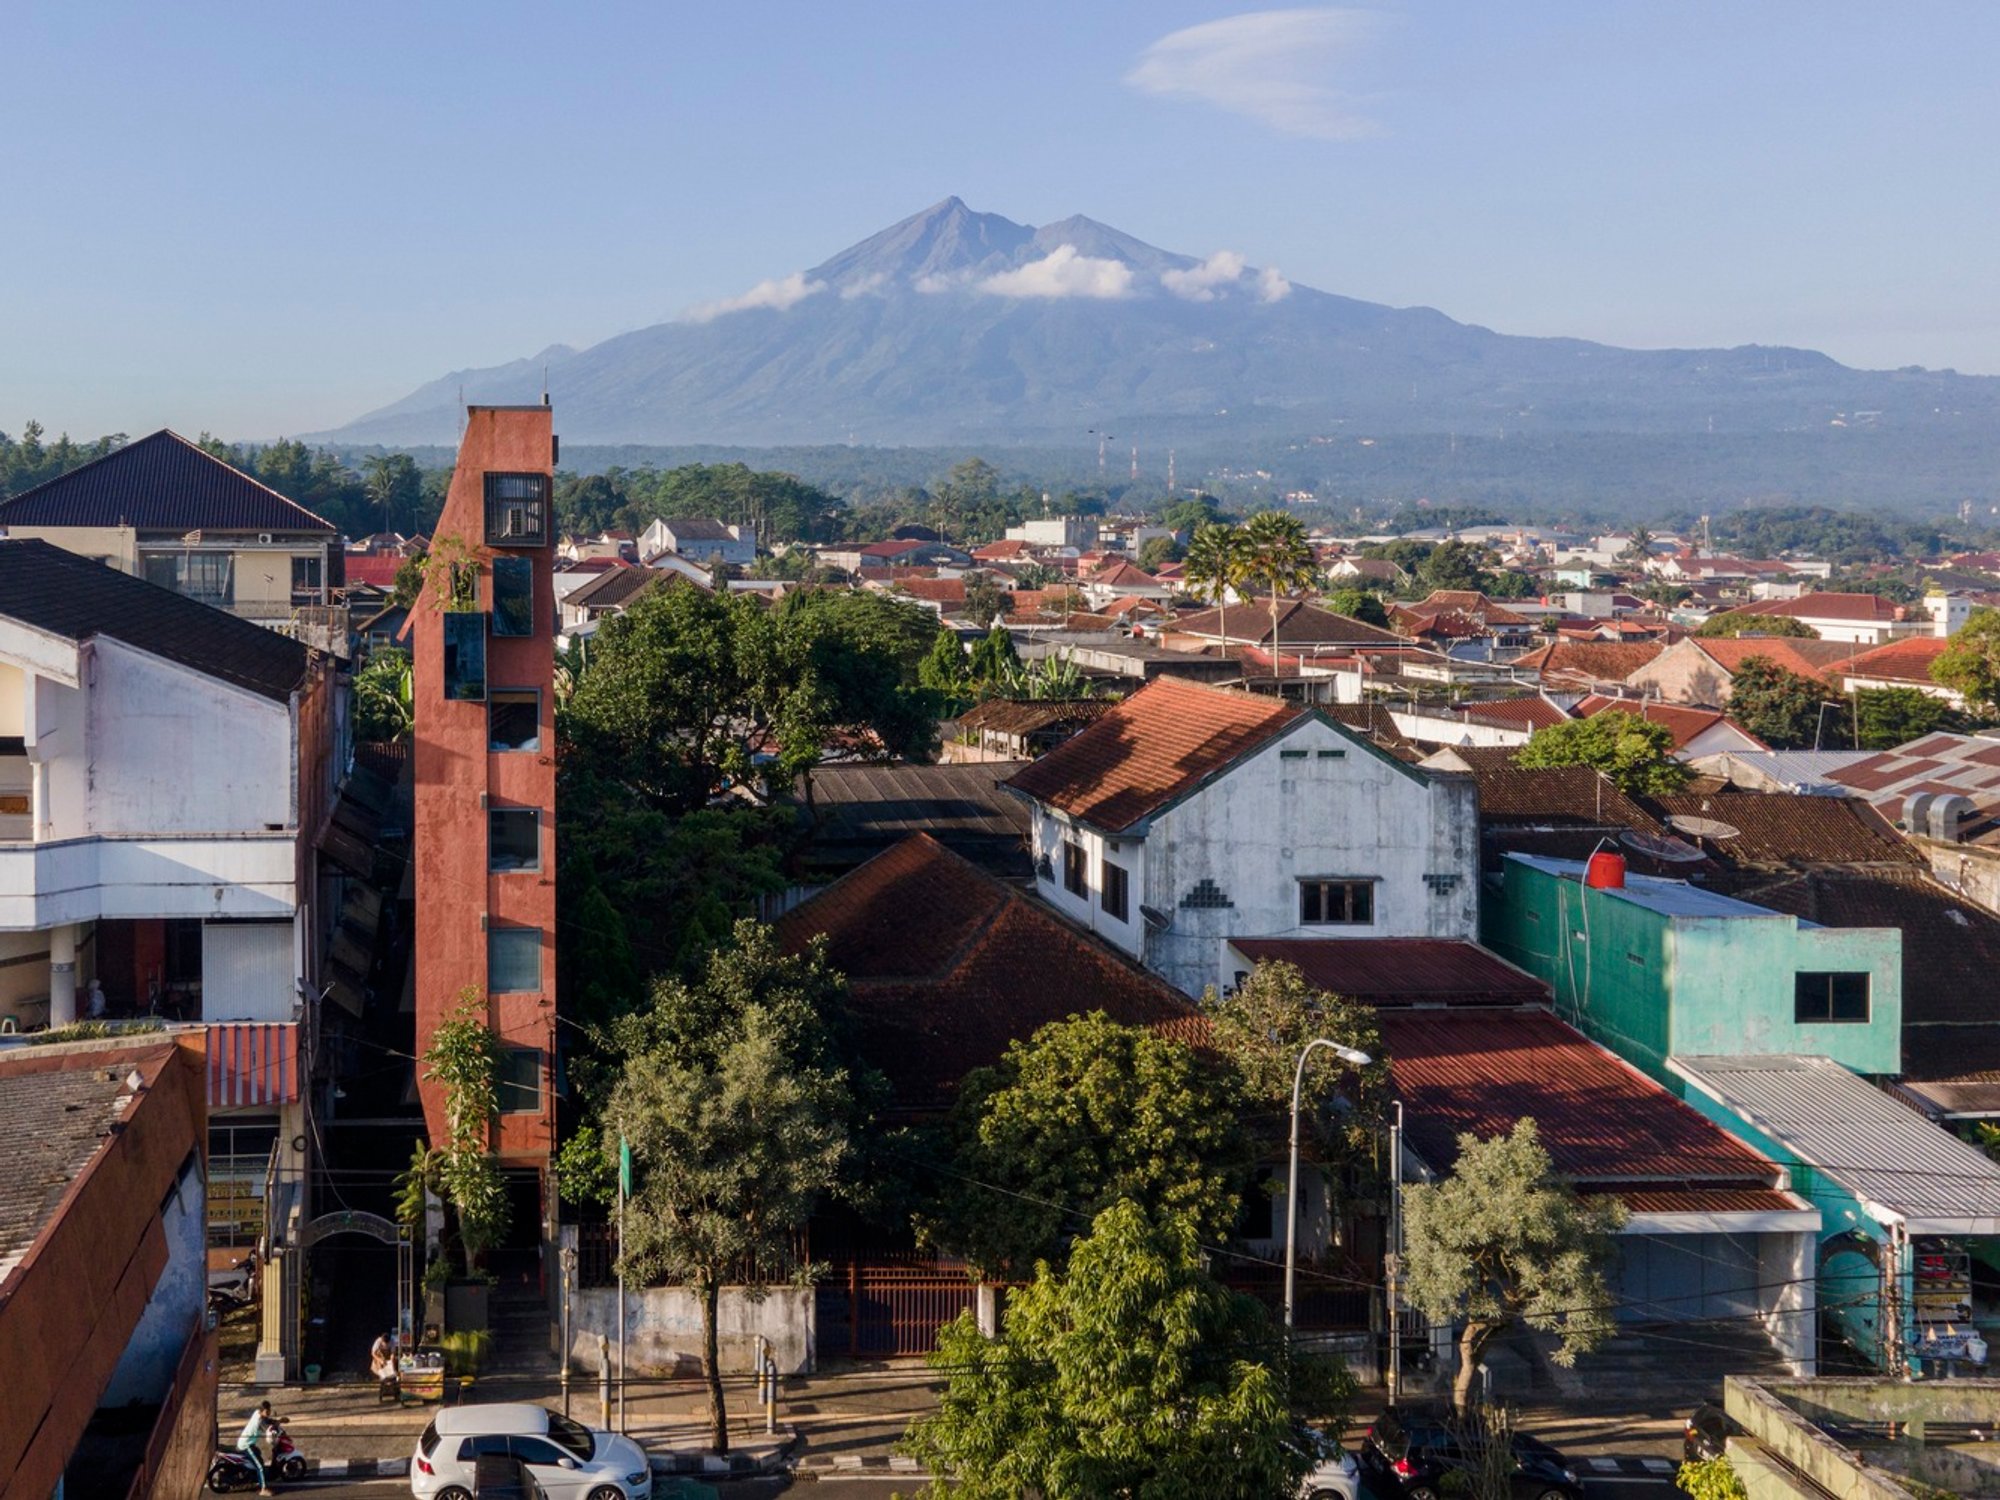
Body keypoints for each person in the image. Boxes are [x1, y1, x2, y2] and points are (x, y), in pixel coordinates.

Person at [236, 1400, 277, 1494]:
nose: (269, 1413)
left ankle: (258, 1480)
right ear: (262, 1411)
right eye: (267, 1412)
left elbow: (267, 1420)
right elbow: (267, 1429)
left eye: (269, 1411)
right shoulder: (258, 1422)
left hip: (248, 1443)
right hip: (246, 1445)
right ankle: (263, 1489)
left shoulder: (257, 1413)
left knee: (259, 1456)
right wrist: (274, 1427)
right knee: (260, 1466)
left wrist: (277, 1421)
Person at [370, 1330, 398, 1397]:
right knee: (379, 1365)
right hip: (380, 1357)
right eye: (384, 1343)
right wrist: (380, 1360)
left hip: (388, 1357)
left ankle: (392, 1378)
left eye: (387, 1343)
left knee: (394, 1363)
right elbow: (373, 1353)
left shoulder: (392, 1341)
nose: (385, 1345)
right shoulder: (378, 1341)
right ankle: (382, 1376)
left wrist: (392, 1360)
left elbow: (392, 1353)